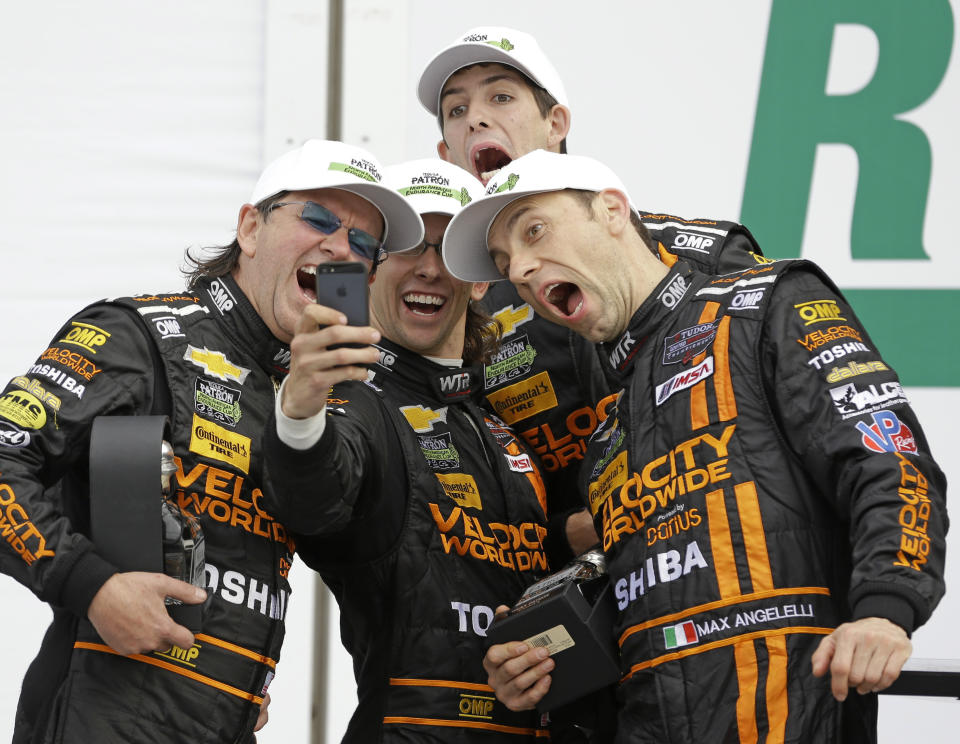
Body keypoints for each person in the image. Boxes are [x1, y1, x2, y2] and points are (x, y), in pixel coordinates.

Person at [442, 149, 948, 743]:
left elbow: (887, 457)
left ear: (611, 210)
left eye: (534, 230)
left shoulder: (761, 305)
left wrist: (886, 610)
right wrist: (538, 645)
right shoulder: (606, 436)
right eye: (505, 262)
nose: (522, 269)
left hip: (791, 712)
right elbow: (639, 584)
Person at [0, 138, 424, 743]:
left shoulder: (317, 400)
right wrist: (92, 586)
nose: (338, 249)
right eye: (319, 219)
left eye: (363, 245)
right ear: (250, 228)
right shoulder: (139, 334)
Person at [418, 26, 768, 567]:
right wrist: (576, 531)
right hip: (586, 603)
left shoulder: (700, 253)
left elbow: (782, 410)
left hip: (737, 559)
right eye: (456, 110)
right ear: (448, 153)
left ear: (556, 123)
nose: (476, 119)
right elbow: (480, 495)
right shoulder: (460, 311)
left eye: (501, 96)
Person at [261, 157, 552, 743]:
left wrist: (545, 651)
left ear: (479, 279)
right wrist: (299, 412)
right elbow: (314, 503)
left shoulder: (500, 426)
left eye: (449, 252)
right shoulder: (358, 400)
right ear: (369, 270)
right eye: (408, 248)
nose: (428, 269)